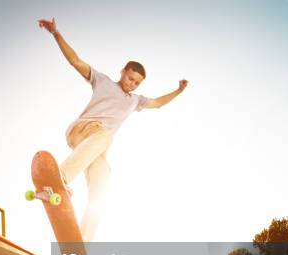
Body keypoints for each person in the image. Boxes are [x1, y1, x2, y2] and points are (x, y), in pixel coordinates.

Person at [38, 17, 188, 241]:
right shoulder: (102, 80)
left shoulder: (135, 100)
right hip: (82, 131)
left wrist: (178, 91)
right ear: (123, 72)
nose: (132, 84)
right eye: (130, 78)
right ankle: (59, 180)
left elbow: (157, 103)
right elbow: (75, 61)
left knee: (100, 192)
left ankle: (79, 252)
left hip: (96, 147)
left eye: (137, 83)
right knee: (106, 135)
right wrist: (56, 33)